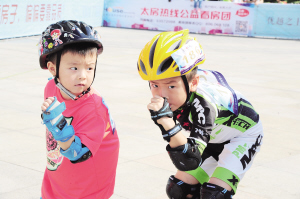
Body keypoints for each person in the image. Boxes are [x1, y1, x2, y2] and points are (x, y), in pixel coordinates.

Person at [137, 29, 263, 199]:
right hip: (212, 138)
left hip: (242, 137)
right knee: (180, 190)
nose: (162, 94)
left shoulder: (204, 105)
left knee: (215, 195)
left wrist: (166, 122)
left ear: (193, 83)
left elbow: (189, 160)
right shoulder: (175, 99)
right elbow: (181, 150)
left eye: (171, 86)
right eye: (155, 85)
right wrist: (167, 122)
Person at [38, 20, 119, 199]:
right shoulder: (51, 87)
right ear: (53, 69)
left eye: (89, 68)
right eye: (74, 67)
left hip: (88, 188)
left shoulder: (95, 109)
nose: (83, 75)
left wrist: (59, 127)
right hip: (58, 178)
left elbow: (78, 153)